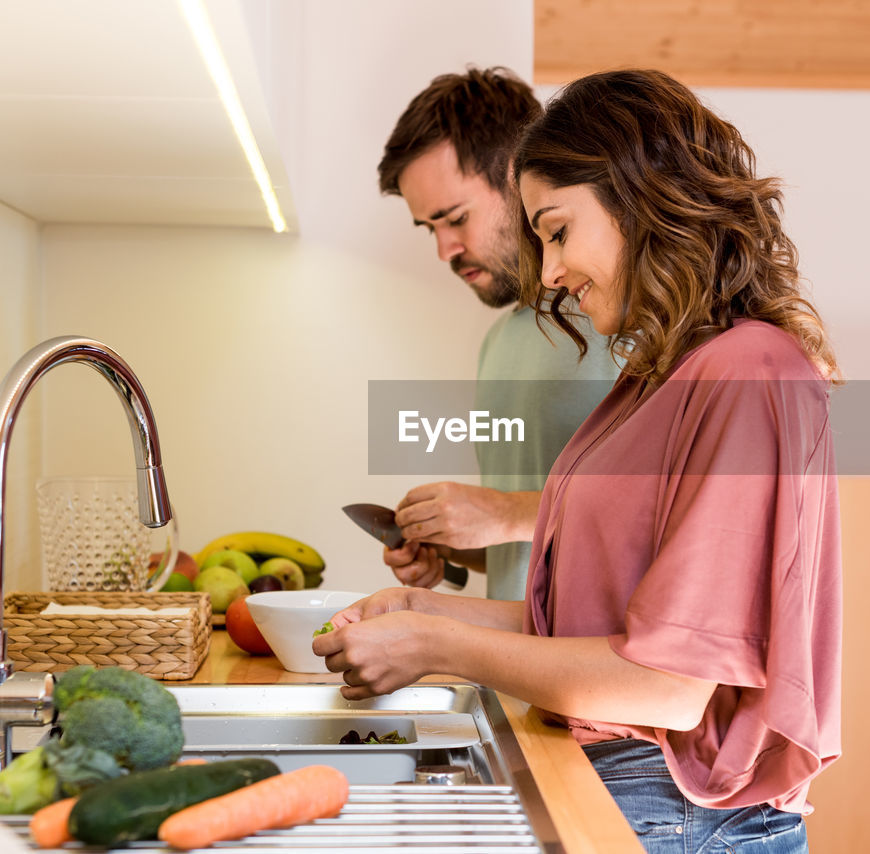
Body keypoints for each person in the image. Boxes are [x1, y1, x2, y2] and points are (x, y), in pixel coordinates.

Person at [319, 69, 843, 853]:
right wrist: (421, 613)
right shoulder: (655, 379)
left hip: (684, 813)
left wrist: (436, 646)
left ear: (639, 201)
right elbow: (593, 629)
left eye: (559, 232)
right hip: (616, 778)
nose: (552, 272)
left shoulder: (751, 372)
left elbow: (666, 688)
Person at [376, 67, 619, 600]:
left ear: (520, 177)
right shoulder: (497, 344)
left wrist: (504, 513)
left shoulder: (623, 317)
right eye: (429, 228)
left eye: (455, 218)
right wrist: (451, 548)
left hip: (597, 675)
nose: (444, 250)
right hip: (512, 671)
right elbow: (530, 541)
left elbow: (674, 507)